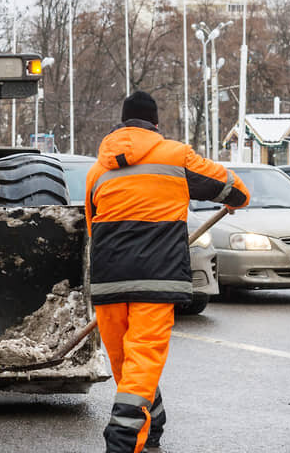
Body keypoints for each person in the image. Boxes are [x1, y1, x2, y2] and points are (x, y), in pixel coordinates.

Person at [84, 91, 250, 453]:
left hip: (109, 281)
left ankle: (152, 425)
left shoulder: (97, 171)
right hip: (156, 278)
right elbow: (233, 189)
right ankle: (121, 442)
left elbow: (92, 228)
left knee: (129, 368)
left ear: (121, 124)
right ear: (155, 123)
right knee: (142, 362)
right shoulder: (175, 155)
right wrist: (237, 200)